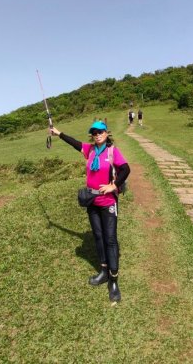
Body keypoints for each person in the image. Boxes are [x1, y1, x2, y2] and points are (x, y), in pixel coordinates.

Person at [51, 120, 130, 303]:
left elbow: (126, 169)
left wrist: (114, 186)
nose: (97, 134)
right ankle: (103, 271)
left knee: (110, 239)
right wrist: (58, 133)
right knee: (98, 236)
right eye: (94, 132)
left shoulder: (112, 151)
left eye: (100, 131)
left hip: (108, 201)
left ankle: (114, 280)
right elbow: (74, 143)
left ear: (106, 133)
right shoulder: (90, 150)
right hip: (92, 201)